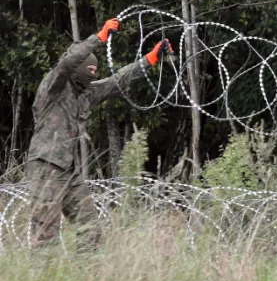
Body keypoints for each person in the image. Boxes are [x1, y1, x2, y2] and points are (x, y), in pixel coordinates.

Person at [27, 17, 171, 245]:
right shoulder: (53, 86)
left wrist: (150, 59)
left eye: (95, 71)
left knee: (91, 230)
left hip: (69, 170)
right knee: (45, 238)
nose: (92, 74)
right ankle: (42, 277)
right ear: (78, 69)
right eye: (89, 70)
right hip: (45, 165)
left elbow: (118, 80)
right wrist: (99, 38)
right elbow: (66, 64)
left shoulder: (86, 92)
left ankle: (89, 276)